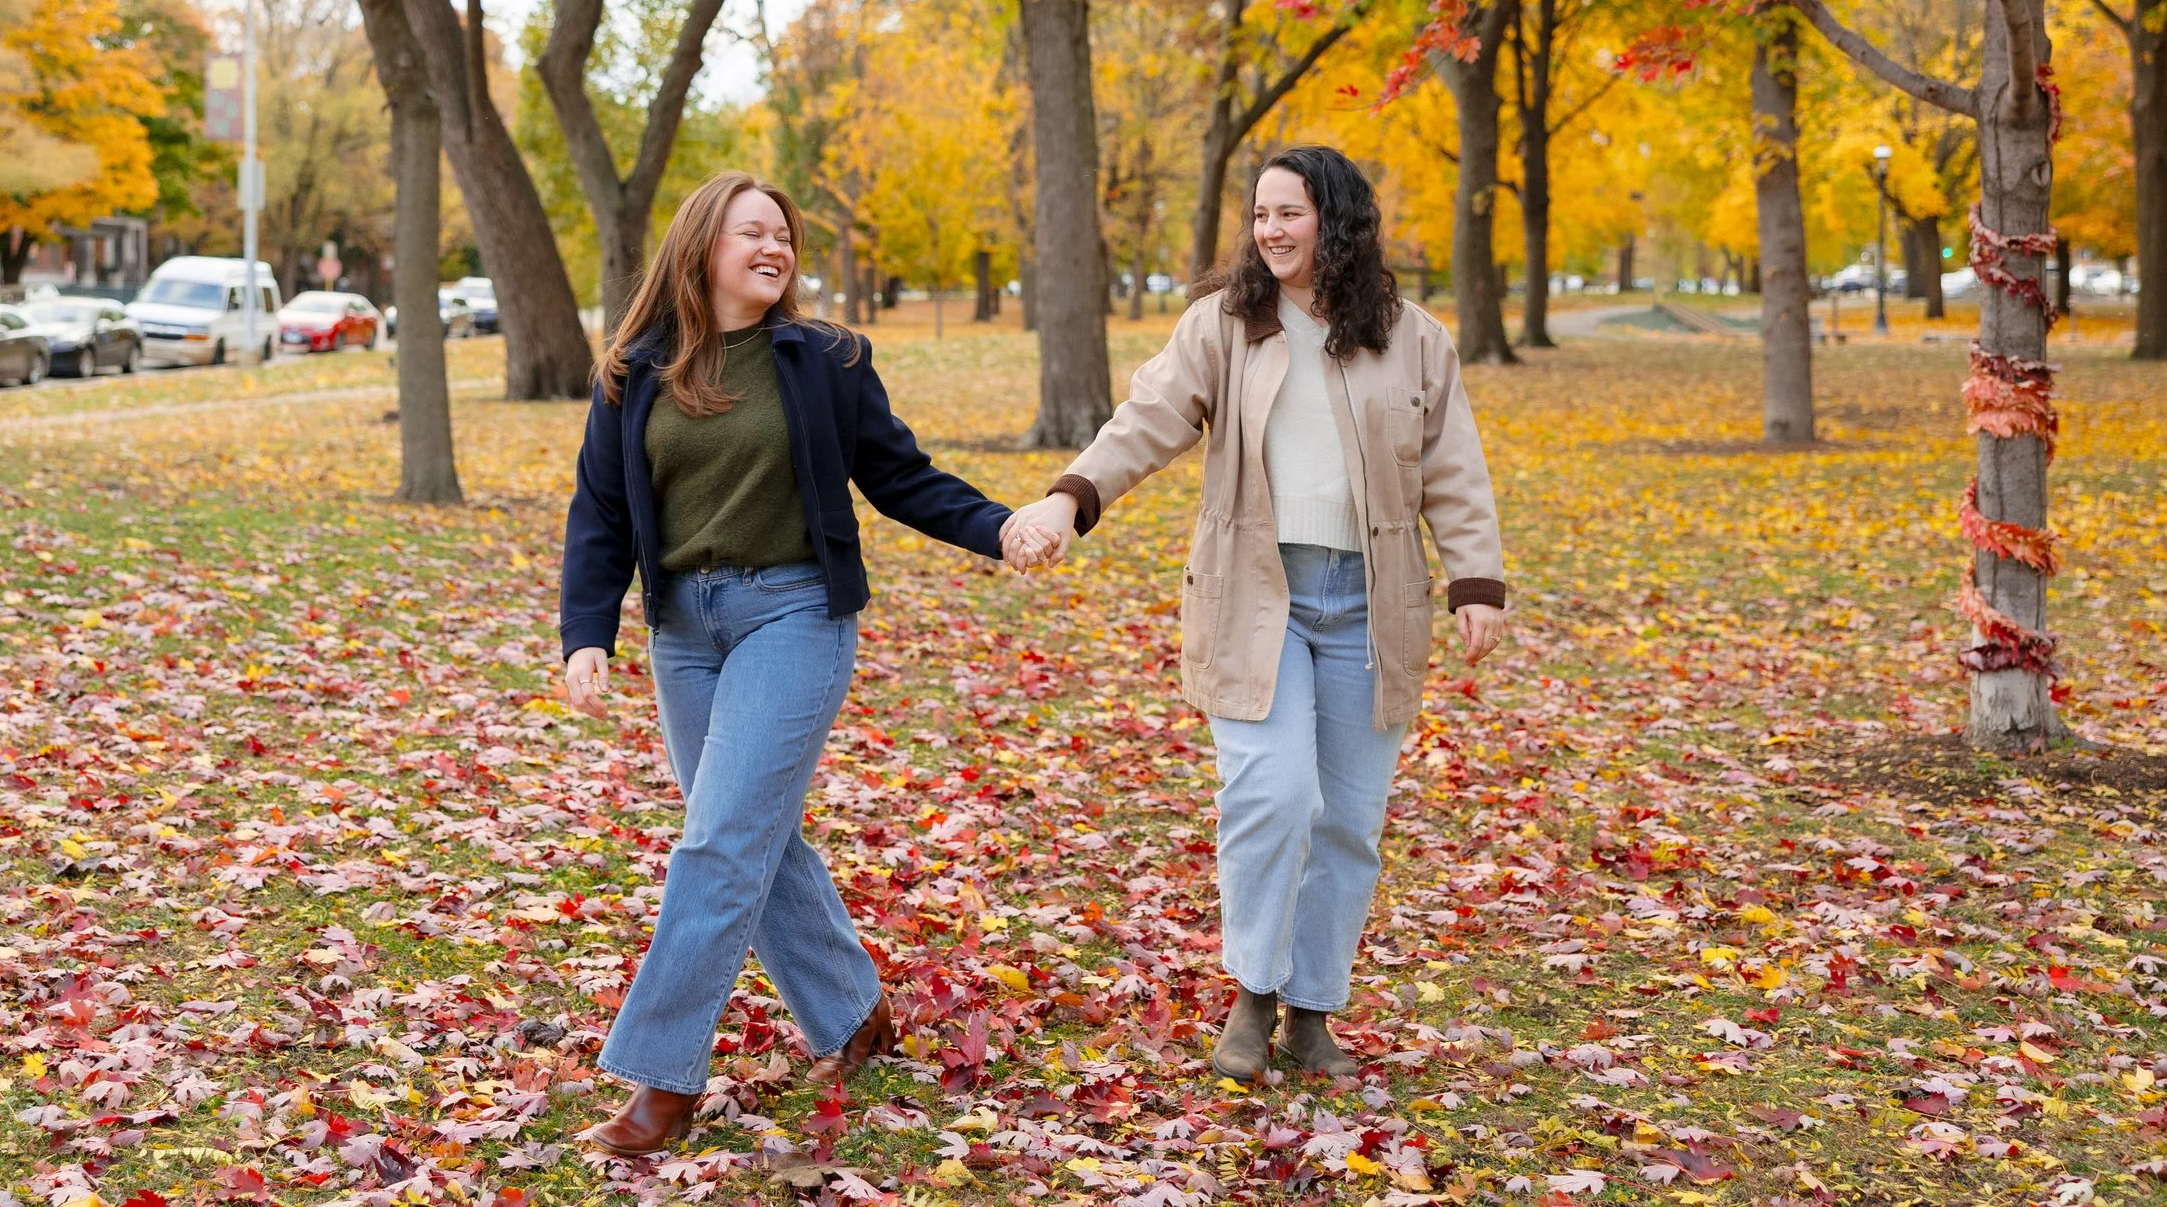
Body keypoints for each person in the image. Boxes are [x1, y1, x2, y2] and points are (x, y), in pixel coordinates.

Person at [559, 171, 1061, 1155]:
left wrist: (997, 526)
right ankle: (855, 1012)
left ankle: (661, 1082)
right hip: (683, 633)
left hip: (792, 614)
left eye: (783, 234)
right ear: (702, 245)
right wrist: (587, 632)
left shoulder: (824, 358)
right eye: (751, 230)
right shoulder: (635, 368)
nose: (773, 245)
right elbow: (600, 512)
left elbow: (897, 473)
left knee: (716, 841)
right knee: (751, 835)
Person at [1005, 145, 1506, 1081]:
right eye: (1261, 213)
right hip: (1257, 599)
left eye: (1291, 212)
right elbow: (1145, 420)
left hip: (1369, 607)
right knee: (1271, 797)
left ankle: (1313, 1008)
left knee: (1350, 818)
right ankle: (1252, 995)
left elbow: (1453, 467)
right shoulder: (1224, 326)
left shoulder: (1413, 337)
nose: (1270, 230)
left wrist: (1476, 579)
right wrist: (1068, 498)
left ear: (1337, 220)